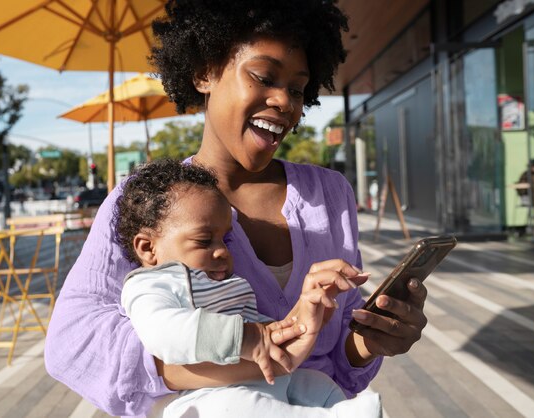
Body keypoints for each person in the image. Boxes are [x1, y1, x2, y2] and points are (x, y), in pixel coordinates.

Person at [44, 1, 428, 416]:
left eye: (298, 89)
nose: (284, 101)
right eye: (264, 77)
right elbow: (72, 344)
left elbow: (339, 361)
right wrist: (249, 353)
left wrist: (371, 342)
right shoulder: (144, 201)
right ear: (204, 72)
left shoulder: (330, 194)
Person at [115, 158, 380, 417]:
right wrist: (247, 337)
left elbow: (264, 331)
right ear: (148, 248)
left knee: (315, 383)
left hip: (263, 381)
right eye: (204, 241)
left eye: (225, 239)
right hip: (208, 398)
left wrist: (291, 329)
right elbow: (164, 333)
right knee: (240, 406)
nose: (221, 251)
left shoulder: (222, 283)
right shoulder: (148, 285)